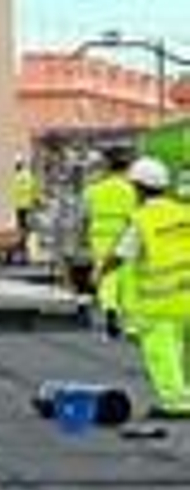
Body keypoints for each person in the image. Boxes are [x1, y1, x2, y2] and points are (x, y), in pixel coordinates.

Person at [99, 156, 190, 419]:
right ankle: (184, 393)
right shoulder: (183, 212)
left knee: (160, 353)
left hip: (161, 300)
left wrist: (100, 273)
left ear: (138, 188)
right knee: (177, 348)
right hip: (186, 294)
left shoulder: (142, 220)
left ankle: (175, 402)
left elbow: (121, 255)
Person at [81, 145, 138, 338]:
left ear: (107, 167)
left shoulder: (93, 190)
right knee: (128, 277)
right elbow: (136, 215)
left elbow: (86, 216)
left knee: (106, 276)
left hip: (99, 236)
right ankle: (130, 323)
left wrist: (84, 237)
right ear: (126, 167)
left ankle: (110, 309)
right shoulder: (131, 189)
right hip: (123, 234)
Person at [10, 155, 42, 262]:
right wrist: (38, 201)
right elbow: (35, 190)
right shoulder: (29, 177)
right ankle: (27, 247)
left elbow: (15, 192)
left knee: (23, 228)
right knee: (29, 229)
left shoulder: (17, 177)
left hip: (21, 207)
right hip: (29, 206)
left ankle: (24, 246)